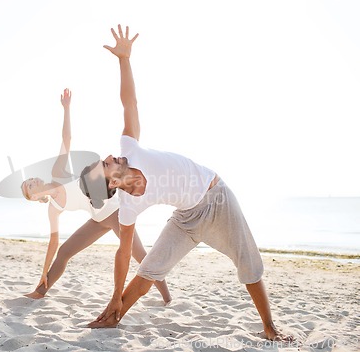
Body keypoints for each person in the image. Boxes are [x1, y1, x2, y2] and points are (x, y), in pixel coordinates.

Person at [81, 25, 292, 341]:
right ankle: (113, 317)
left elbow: (130, 103)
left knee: (248, 261)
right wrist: (115, 295)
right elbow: (123, 254)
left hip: (216, 198)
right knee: (149, 270)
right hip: (185, 219)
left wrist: (124, 60)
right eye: (105, 164)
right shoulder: (127, 206)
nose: (110, 156)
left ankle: (270, 328)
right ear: (110, 184)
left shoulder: (130, 148)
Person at [22, 88, 171, 304]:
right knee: (64, 252)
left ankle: (167, 297)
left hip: (113, 211)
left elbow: (66, 138)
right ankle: (40, 291)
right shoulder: (53, 208)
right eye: (28, 187)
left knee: (140, 256)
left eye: (30, 180)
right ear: (34, 197)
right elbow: (53, 243)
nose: (32, 182)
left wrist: (66, 109)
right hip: (97, 219)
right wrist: (43, 271)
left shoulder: (57, 173)